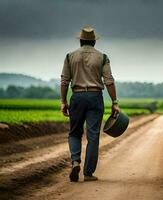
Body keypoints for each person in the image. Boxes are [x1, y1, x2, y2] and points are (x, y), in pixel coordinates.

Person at [60, 26, 120, 182]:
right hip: (95, 96)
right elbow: (109, 81)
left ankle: (75, 161)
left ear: (80, 41)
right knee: (93, 136)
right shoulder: (103, 57)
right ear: (94, 41)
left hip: (77, 97)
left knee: (74, 132)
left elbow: (64, 81)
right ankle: (88, 173)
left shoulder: (70, 56)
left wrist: (63, 101)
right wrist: (115, 102)